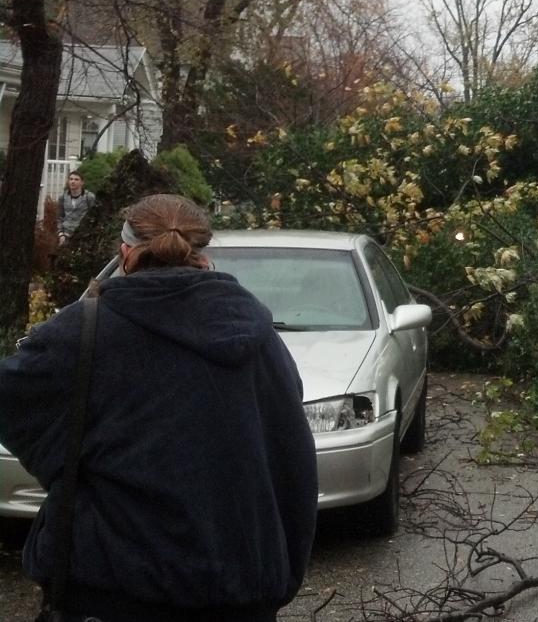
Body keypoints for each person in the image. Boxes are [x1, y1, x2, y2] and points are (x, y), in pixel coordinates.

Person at [0, 194, 318, 622]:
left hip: (110, 590)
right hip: (238, 591)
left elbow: (14, 403)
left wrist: (68, 466)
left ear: (124, 253)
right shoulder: (260, 336)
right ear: (202, 258)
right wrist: (279, 576)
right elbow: (292, 463)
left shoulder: (84, 330)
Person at [56, 171, 96, 244]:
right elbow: (60, 216)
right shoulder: (63, 197)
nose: (73, 182)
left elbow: (93, 216)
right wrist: (61, 233)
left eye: (76, 179)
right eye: (71, 179)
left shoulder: (89, 197)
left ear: (82, 182)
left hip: (82, 235)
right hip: (66, 234)